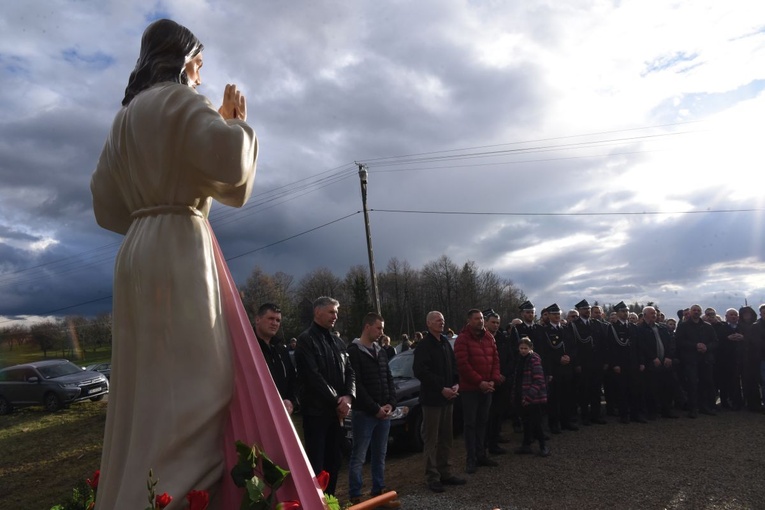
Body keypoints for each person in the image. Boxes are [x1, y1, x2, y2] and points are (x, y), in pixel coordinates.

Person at [90, 19, 325, 509]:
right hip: (178, 246)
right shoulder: (179, 100)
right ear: (182, 61)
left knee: (147, 390)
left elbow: (105, 205)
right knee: (197, 385)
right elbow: (231, 171)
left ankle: (139, 491)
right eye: (198, 64)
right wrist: (236, 122)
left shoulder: (125, 120)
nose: (199, 74)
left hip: (137, 250)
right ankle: (182, 491)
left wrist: (150, 200)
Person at [295, 296, 355, 496]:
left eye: (336, 312)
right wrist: (337, 400)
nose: (335, 316)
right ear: (317, 312)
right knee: (317, 465)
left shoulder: (337, 341)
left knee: (334, 462)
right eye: (331, 312)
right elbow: (313, 376)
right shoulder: (306, 340)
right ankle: (315, 503)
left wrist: (348, 397)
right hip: (317, 413)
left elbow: (350, 371)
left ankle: (330, 501)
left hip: (336, 414)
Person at [347, 313, 398, 506]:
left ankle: (379, 489)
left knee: (380, 454)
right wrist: (374, 408)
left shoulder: (381, 351)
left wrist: (391, 404)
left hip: (383, 412)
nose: (381, 332)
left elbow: (389, 379)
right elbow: (356, 384)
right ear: (367, 326)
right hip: (364, 413)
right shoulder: (353, 351)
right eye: (378, 328)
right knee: (359, 455)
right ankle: (355, 495)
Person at [413, 311, 466, 493]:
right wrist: (440, 388)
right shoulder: (424, 346)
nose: (441, 322)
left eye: (443, 320)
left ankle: (445, 472)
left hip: (448, 398)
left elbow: (453, 365)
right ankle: (432, 477)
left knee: (446, 438)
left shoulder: (444, 342)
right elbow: (420, 371)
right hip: (432, 400)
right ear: (428, 323)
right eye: (437, 320)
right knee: (431, 439)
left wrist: (456, 383)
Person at [454, 309, 501, 474]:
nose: (480, 321)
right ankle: (471, 458)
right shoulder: (462, 339)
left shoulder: (489, 337)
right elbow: (463, 365)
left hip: (487, 388)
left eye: (481, 318)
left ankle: (482, 455)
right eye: (476, 318)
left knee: (483, 422)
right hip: (470, 390)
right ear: (469, 320)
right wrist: (479, 381)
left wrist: (492, 380)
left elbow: (495, 360)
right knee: (470, 424)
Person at [539, 304, 578, 433]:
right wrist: (558, 359)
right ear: (549, 315)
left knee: (567, 396)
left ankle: (566, 421)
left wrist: (569, 357)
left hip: (567, 368)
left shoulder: (566, 329)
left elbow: (573, 346)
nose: (557, 316)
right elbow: (545, 352)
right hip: (555, 369)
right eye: (554, 314)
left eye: (558, 314)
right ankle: (554, 424)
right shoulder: (545, 331)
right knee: (554, 398)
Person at [674, 304, 718, 418]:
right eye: (694, 310)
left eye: (698, 310)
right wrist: (695, 346)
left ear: (701, 312)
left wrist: (706, 347)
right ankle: (693, 408)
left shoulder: (708, 327)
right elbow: (679, 342)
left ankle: (705, 407)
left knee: (705, 383)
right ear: (690, 312)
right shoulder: (683, 326)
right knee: (692, 385)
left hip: (705, 360)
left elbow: (715, 341)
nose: (696, 312)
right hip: (690, 360)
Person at [570, 299, 608, 425]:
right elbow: (573, 346)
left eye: (588, 308)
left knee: (596, 390)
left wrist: (604, 361)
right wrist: (577, 364)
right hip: (583, 363)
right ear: (579, 311)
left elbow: (603, 344)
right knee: (584, 391)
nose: (586, 311)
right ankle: (585, 416)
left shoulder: (596, 324)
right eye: (584, 309)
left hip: (596, 362)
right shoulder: (573, 325)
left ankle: (596, 415)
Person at [637, 306, 678, 419]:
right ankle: (652, 412)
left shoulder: (662, 328)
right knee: (651, 389)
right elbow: (642, 346)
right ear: (645, 315)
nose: (654, 315)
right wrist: (653, 357)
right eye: (651, 313)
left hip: (665, 363)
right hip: (651, 364)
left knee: (667, 387)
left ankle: (666, 410)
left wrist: (669, 357)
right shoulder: (640, 329)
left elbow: (671, 343)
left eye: (655, 313)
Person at [254, 303, 296, 414]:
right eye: (270, 318)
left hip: (282, 412)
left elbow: (292, 377)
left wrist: (290, 400)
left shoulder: (281, 349)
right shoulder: (247, 346)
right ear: (258, 319)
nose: (275, 323)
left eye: (278, 320)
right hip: (256, 412)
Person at [512, 336, 549, 457]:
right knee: (526, 422)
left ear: (531, 348)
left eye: (525, 348)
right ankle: (526, 445)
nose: (523, 350)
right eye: (521, 348)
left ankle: (543, 446)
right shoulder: (520, 359)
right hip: (521, 395)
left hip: (533, 397)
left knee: (537, 423)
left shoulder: (534, 360)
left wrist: (529, 397)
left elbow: (538, 381)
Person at [608, 301, 644, 424]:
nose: (625, 313)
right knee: (622, 391)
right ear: (617, 313)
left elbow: (639, 346)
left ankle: (635, 414)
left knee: (635, 390)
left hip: (633, 363)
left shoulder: (633, 327)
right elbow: (611, 348)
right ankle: (624, 415)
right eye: (622, 311)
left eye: (626, 311)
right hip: (621, 364)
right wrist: (615, 364)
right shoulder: (612, 328)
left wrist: (641, 362)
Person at [484, 308, 512, 454]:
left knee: (498, 414)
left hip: (502, 381)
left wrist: (504, 374)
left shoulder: (503, 338)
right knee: (487, 415)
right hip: (488, 382)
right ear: (486, 323)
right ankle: (485, 443)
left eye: (498, 323)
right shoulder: (482, 338)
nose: (495, 325)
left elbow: (509, 358)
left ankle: (494, 442)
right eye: (493, 322)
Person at [714, 308, 744, 410]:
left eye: (735, 315)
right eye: (731, 315)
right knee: (725, 382)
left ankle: (738, 402)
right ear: (726, 317)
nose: (733, 316)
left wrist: (743, 338)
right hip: (726, 360)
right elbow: (717, 342)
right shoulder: (722, 329)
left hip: (740, 359)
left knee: (738, 382)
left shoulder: (742, 328)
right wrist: (727, 339)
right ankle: (725, 402)